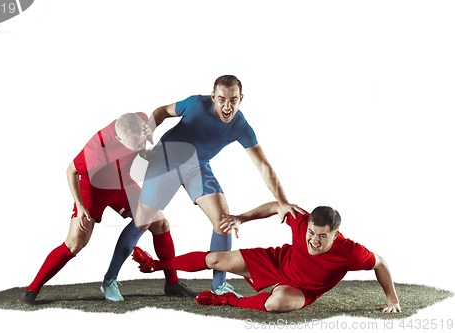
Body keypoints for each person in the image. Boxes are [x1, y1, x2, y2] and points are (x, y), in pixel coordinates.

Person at [134, 75, 305, 296]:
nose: (227, 106)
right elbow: (162, 111)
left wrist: (282, 201)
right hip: (166, 158)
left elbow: (263, 164)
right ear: (213, 97)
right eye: (222, 99)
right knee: (142, 220)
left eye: (233, 100)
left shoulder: (240, 125)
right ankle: (111, 278)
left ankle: (219, 286)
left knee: (224, 221)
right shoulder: (196, 103)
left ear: (241, 99)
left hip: (197, 167)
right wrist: (146, 133)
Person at [20, 113, 195, 306]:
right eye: (134, 145)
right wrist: (79, 205)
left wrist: (148, 139)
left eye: (140, 142)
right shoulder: (97, 149)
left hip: (123, 185)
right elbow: (71, 170)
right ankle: (33, 288)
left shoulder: (139, 121)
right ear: (119, 139)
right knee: (75, 244)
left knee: (160, 222)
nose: (139, 148)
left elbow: (144, 138)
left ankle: (171, 282)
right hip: (94, 191)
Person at [132, 202, 401, 313]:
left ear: (335, 234)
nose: (313, 241)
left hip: (300, 288)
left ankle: (225, 299)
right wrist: (241, 218)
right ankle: (156, 265)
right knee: (215, 259)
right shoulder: (301, 221)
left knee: (276, 304)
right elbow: (275, 206)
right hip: (275, 262)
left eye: (322, 237)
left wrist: (392, 299)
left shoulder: (350, 252)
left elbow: (380, 263)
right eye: (311, 233)